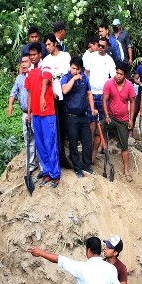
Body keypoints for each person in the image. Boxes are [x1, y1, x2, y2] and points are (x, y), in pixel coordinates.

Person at [25, 42, 61, 188]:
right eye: (30, 55)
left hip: (47, 113)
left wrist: (41, 97)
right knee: (40, 145)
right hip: (36, 115)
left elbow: (46, 81)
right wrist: (29, 113)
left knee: (50, 143)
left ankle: (55, 174)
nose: (32, 57)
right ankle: (46, 172)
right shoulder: (29, 72)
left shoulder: (45, 65)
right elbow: (28, 93)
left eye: (35, 54)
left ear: (40, 54)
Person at [61, 56, 96, 177]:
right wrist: (74, 78)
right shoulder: (66, 78)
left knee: (87, 142)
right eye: (72, 68)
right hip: (71, 117)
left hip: (83, 115)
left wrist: (92, 108)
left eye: (76, 69)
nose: (74, 70)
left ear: (81, 68)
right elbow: (64, 90)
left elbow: (89, 94)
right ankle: (77, 167)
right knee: (73, 143)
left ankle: (86, 165)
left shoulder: (85, 79)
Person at [42, 34, 73, 170]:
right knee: (56, 127)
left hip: (66, 96)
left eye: (49, 44)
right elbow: (45, 81)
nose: (47, 47)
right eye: (46, 45)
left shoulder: (65, 56)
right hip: (53, 98)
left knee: (66, 127)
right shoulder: (46, 60)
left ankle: (68, 155)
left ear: (55, 43)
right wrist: (51, 93)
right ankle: (59, 157)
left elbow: (70, 73)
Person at [85, 37, 117, 165]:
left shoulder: (109, 60)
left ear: (107, 47)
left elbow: (114, 78)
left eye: (103, 46)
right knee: (90, 125)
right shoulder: (91, 57)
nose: (100, 47)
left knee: (101, 126)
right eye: (99, 45)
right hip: (91, 95)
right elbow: (86, 73)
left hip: (104, 96)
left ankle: (93, 154)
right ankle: (88, 152)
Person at [102, 64, 136, 181]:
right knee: (99, 130)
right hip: (111, 117)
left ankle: (126, 170)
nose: (118, 76)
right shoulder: (109, 83)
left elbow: (132, 102)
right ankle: (92, 158)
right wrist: (106, 116)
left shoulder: (129, 86)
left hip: (123, 120)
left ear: (125, 75)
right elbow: (104, 100)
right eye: (117, 73)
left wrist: (131, 119)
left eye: (121, 74)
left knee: (124, 146)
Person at [8, 54, 40, 175]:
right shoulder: (19, 78)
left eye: (26, 61)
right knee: (28, 139)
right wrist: (10, 105)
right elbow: (13, 92)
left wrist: (31, 113)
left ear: (31, 63)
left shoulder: (35, 76)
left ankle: (42, 164)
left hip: (35, 113)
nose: (24, 64)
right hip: (24, 113)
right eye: (22, 62)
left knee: (38, 138)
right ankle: (31, 164)